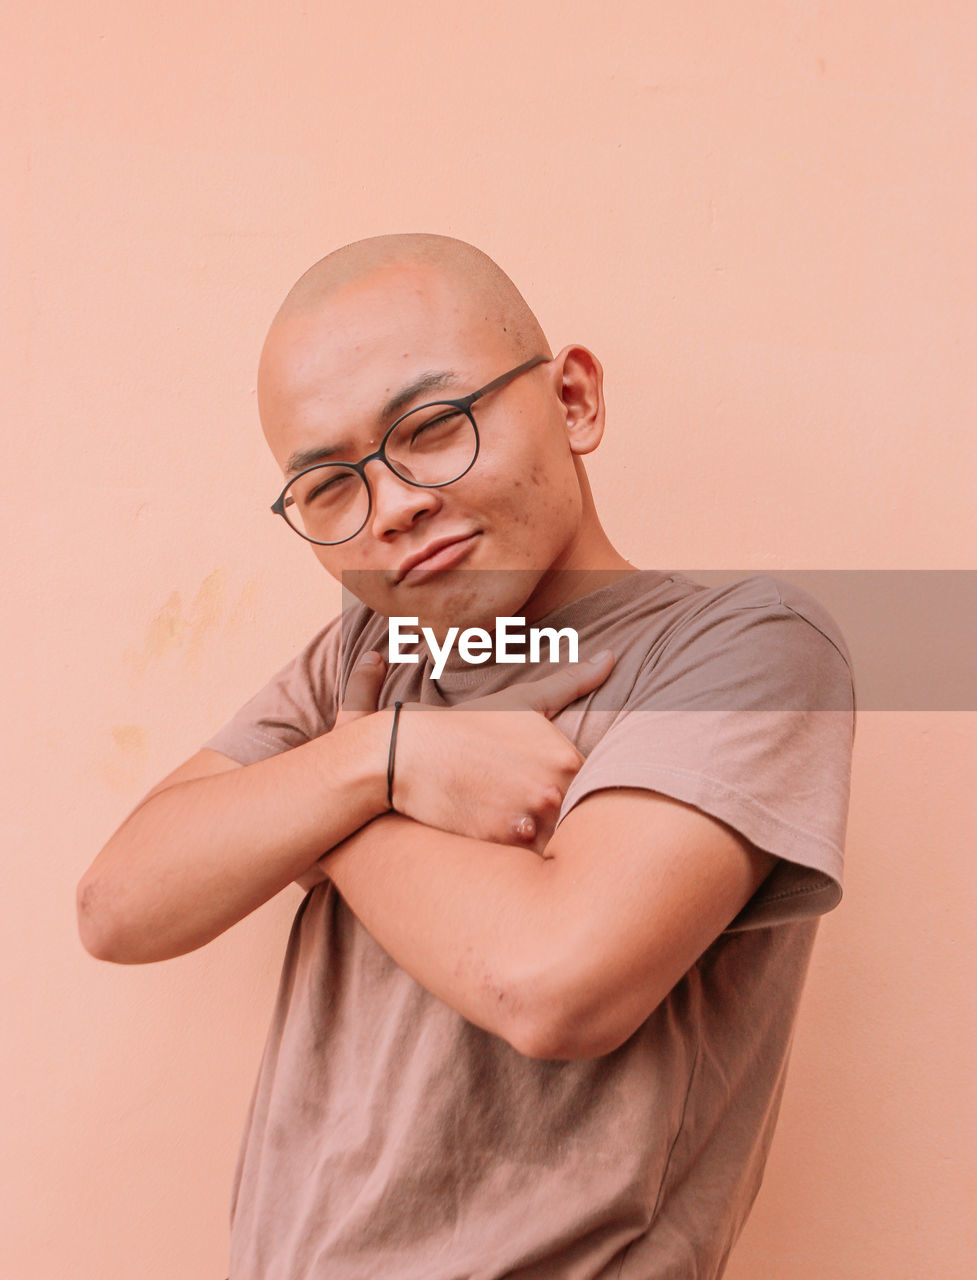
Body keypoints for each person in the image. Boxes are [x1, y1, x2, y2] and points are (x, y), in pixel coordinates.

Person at [77, 233, 855, 1279]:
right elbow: (118, 903)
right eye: (328, 486)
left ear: (572, 400)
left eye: (432, 427)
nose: (394, 503)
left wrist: (327, 801)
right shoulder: (368, 654)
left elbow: (551, 983)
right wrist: (381, 758)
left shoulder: (742, 646)